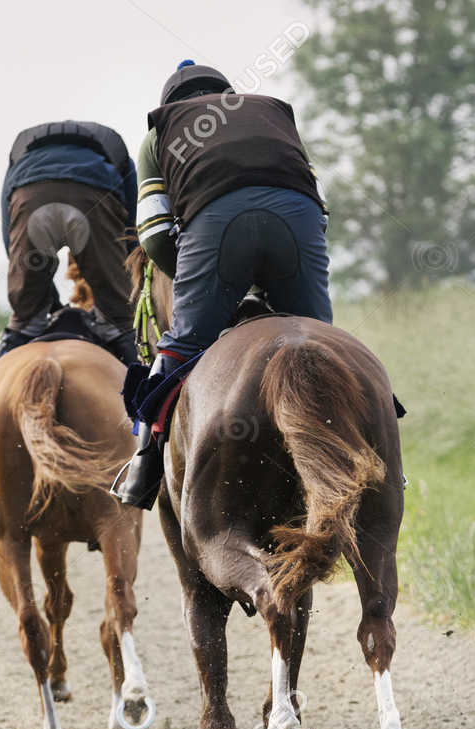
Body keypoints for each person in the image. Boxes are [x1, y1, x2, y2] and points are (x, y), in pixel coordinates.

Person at [110, 62, 331, 509]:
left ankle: (144, 465)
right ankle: (372, 453)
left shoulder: (160, 132)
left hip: (217, 225)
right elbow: (316, 209)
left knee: (182, 343)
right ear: (228, 94)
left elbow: (153, 233)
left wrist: (211, 284)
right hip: (300, 220)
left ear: (171, 103)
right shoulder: (273, 114)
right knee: (320, 343)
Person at [0, 120, 141, 366]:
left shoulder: (19, 153)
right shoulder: (120, 154)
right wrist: (117, 292)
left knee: (25, 322)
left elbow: (8, 233)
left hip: (30, 195)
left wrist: (38, 301)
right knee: (119, 321)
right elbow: (129, 234)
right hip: (95, 194)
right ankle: (150, 398)